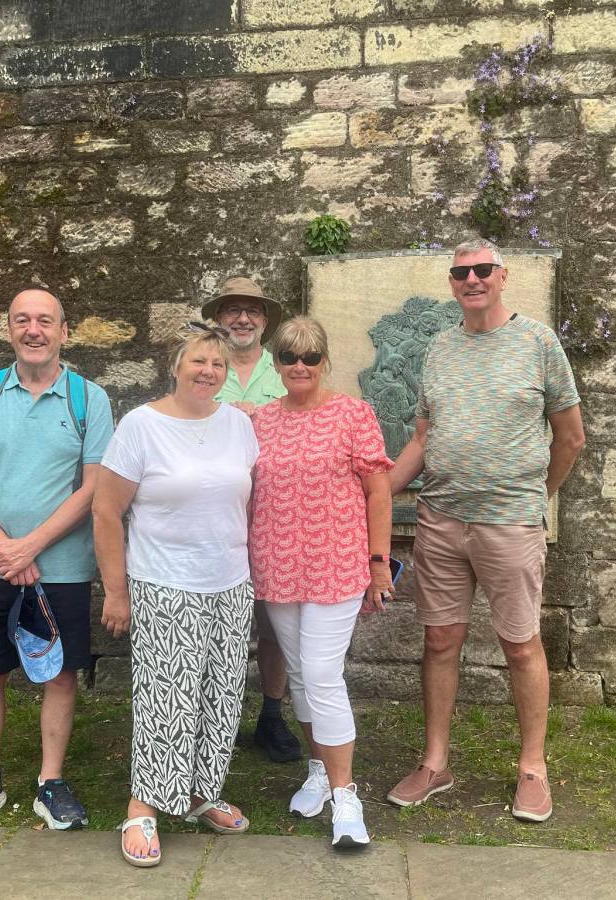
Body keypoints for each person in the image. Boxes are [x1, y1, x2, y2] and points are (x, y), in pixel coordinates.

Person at [385, 238, 585, 823]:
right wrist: (374, 492)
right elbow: (421, 440)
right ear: (452, 283)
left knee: (521, 645)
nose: (471, 279)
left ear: (502, 276)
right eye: (460, 272)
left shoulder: (539, 342)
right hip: (440, 521)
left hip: (509, 523)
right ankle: (435, 763)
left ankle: (532, 769)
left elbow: (570, 437)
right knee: (439, 641)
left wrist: (534, 497)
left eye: (481, 270)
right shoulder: (440, 348)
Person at [0, 287, 113, 829]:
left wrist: (31, 546)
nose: (33, 330)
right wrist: (4, 549)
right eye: (22, 321)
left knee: (58, 675)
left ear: (64, 330)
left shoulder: (89, 399)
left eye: (45, 321)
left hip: (62, 569)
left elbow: (94, 488)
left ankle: (50, 782)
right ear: (7, 329)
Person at [94, 323, 258, 868]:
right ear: (176, 367)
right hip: (164, 582)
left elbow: (245, 502)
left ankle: (196, 794)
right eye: (198, 361)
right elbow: (105, 511)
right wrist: (116, 591)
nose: (209, 371)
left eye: (218, 363)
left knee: (220, 695)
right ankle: (143, 805)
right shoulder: (141, 426)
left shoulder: (238, 424)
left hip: (230, 582)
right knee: (168, 700)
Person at [249, 316, 394, 849]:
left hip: (336, 565)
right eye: (289, 356)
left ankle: (346, 795)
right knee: (303, 679)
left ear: (325, 361)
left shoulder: (353, 414)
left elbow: (379, 493)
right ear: (276, 363)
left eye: (310, 357)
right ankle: (316, 769)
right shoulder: (260, 422)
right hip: (277, 567)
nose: (300, 366)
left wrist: (379, 563)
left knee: (322, 674)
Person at [201, 276, 301, 764]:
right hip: (215, 513)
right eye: (233, 310)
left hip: (275, 510)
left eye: (253, 311)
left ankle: (270, 716)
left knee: (274, 620)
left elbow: (304, 415)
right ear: (219, 318)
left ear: (265, 320)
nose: (243, 319)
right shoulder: (204, 367)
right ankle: (209, 720)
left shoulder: (282, 368)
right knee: (212, 621)